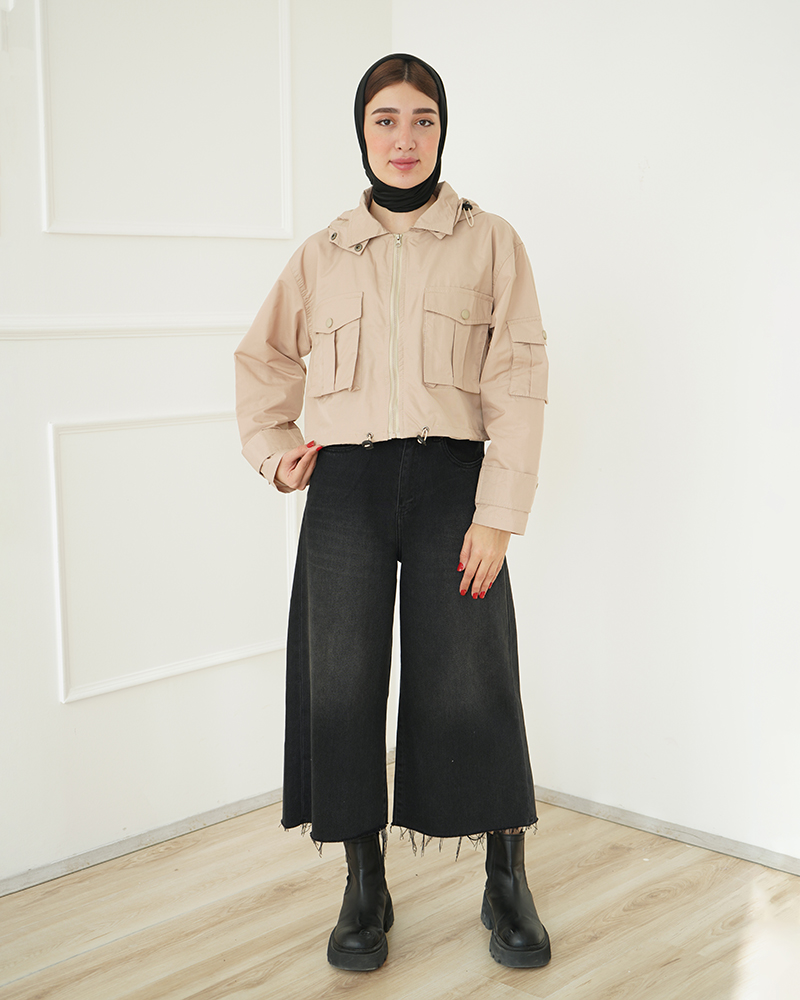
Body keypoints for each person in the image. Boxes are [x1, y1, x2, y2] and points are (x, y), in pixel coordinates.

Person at [234, 52, 550, 972]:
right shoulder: (322, 253)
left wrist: (498, 514)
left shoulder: (491, 242)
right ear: (362, 132)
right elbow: (261, 361)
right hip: (347, 485)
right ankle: (363, 883)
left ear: (443, 131)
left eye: (422, 119)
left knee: (473, 674)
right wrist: (275, 452)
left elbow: (519, 379)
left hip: (455, 483)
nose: (404, 138)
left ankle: (505, 877)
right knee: (340, 680)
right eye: (385, 119)